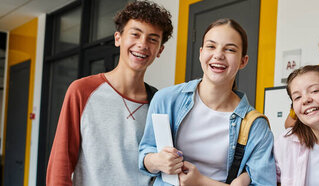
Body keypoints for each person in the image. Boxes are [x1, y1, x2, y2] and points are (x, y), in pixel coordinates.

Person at [46, 1, 172, 185]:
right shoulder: (82, 91)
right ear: (118, 38)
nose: (142, 44)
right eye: (135, 34)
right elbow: (61, 163)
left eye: (152, 39)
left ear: (159, 50)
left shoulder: (159, 103)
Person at [138, 18, 275, 186]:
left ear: (243, 61)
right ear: (201, 53)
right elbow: (145, 153)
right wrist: (156, 161)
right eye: (211, 46)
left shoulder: (256, 126)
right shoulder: (166, 100)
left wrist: (201, 182)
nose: (218, 55)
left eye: (230, 49)